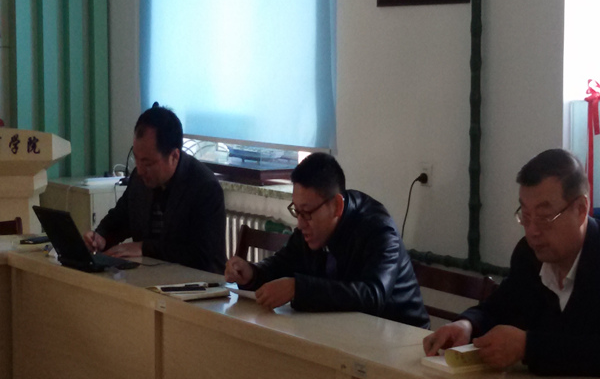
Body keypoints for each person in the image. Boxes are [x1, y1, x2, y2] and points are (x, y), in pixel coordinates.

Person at [423, 148, 600, 376]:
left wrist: (529, 347)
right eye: (525, 216)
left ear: (581, 209)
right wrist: (467, 325)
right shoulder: (528, 254)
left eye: (545, 217)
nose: (532, 231)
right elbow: (501, 307)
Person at [225, 152, 430, 328]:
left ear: (337, 206)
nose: (300, 223)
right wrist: (252, 273)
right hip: (345, 332)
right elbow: (282, 264)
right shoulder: (310, 226)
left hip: (401, 338)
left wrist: (299, 288)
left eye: (307, 212)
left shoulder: (378, 229)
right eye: (296, 211)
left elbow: (373, 295)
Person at [83, 104, 226, 273]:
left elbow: (201, 255)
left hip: (198, 283)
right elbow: (121, 217)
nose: (140, 170)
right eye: (136, 159)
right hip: (149, 276)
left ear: (174, 156)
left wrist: (145, 248)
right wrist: (101, 237)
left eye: (148, 163)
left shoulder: (205, 187)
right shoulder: (139, 179)